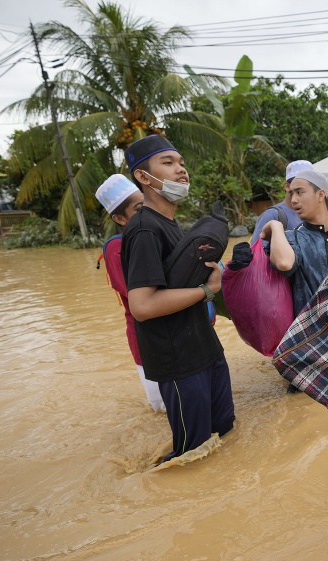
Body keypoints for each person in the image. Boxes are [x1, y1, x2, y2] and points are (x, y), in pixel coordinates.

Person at [121, 135, 235, 461]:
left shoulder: (171, 224)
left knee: (223, 431)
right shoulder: (144, 229)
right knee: (192, 455)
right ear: (143, 177)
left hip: (205, 348)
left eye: (182, 163)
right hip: (179, 361)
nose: (181, 170)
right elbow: (142, 306)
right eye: (168, 163)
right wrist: (209, 290)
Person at [95, 174, 165, 412]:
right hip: (147, 338)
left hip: (172, 333)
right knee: (164, 408)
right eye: (138, 209)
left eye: (146, 205)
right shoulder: (117, 248)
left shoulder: (154, 235)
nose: (146, 213)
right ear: (118, 218)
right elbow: (141, 295)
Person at [261, 169, 328, 316]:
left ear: (320, 195)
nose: (293, 200)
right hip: (311, 332)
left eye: (299, 192)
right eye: (291, 194)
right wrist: (276, 225)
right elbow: (284, 264)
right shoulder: (293, 237)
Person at [250, 159, 312, 242]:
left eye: (310, 184)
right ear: (287, 186)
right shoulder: (273, 215)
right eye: (300, 184)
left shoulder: (310, 215)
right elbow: (258, 252)